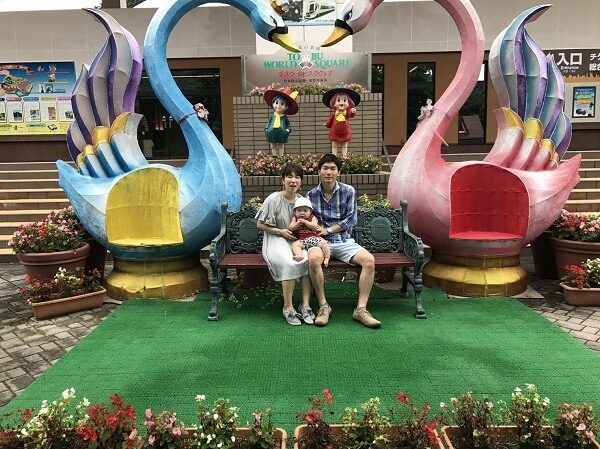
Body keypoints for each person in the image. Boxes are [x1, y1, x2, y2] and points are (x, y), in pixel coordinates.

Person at [306, 154, 381, 328]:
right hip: (320, 241)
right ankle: (324, 306)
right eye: (325, 168)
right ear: (319, 171)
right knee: (313, 260)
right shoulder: (310, 196)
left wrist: (329, 229)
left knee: (369, 261)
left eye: (333, 169)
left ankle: (361, 310)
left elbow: (351, 219)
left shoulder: (348, 191)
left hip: (343, 240)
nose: (329, 172)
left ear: (338, 172)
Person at [255, 164, 316, 325]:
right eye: (289, 176)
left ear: (301, 182)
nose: (293, 180)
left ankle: (305, 305)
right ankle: (288, 307)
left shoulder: (302, 201)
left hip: (296, 241)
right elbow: (260, 224)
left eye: (297, 177)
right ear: (283, 180)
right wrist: (279, 231)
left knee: (307, 260)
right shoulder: (273, 199)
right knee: (289, 262)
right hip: (275, 239)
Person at [289, 197, 331, 267]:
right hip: (302, 240)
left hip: (314, 238)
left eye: (305, 211)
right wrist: (297, 224)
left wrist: (305, 222)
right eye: (299, 211)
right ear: (295, 212)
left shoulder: (312, 217)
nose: (302, 213)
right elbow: (291, 227)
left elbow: (314, 226)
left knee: (324, 243)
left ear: (310, 212)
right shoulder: (295, 219)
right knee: (295, 245)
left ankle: (327, 258)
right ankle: (299, 254)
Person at [322, 86, 361, 159]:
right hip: (334, 132)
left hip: (345, 132)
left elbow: (351, 114)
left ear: (349, 104)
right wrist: (326, 124)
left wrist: (353, 112)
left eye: (344, 100)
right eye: (338, 100)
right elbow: (330, 121)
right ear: (334, 103)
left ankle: (344, 156)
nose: (341, 102)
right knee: (334, 145)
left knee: (344, 145)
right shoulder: (334, 114)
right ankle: (334, 156)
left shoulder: (347, 113)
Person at [263, 88, 299, 155]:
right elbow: (269, 123)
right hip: (271, 132)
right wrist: (266, 129)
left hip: (282, 132)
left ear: (286, 107)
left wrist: (288, 130)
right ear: (273, 104)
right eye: (276, 103)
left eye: (282, 104)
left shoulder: (284, 117)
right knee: (273, 146)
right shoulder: (272, 116)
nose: (278, 105)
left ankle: (281, 157)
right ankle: (274, 157)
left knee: (281, 146)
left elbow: (288, 125)